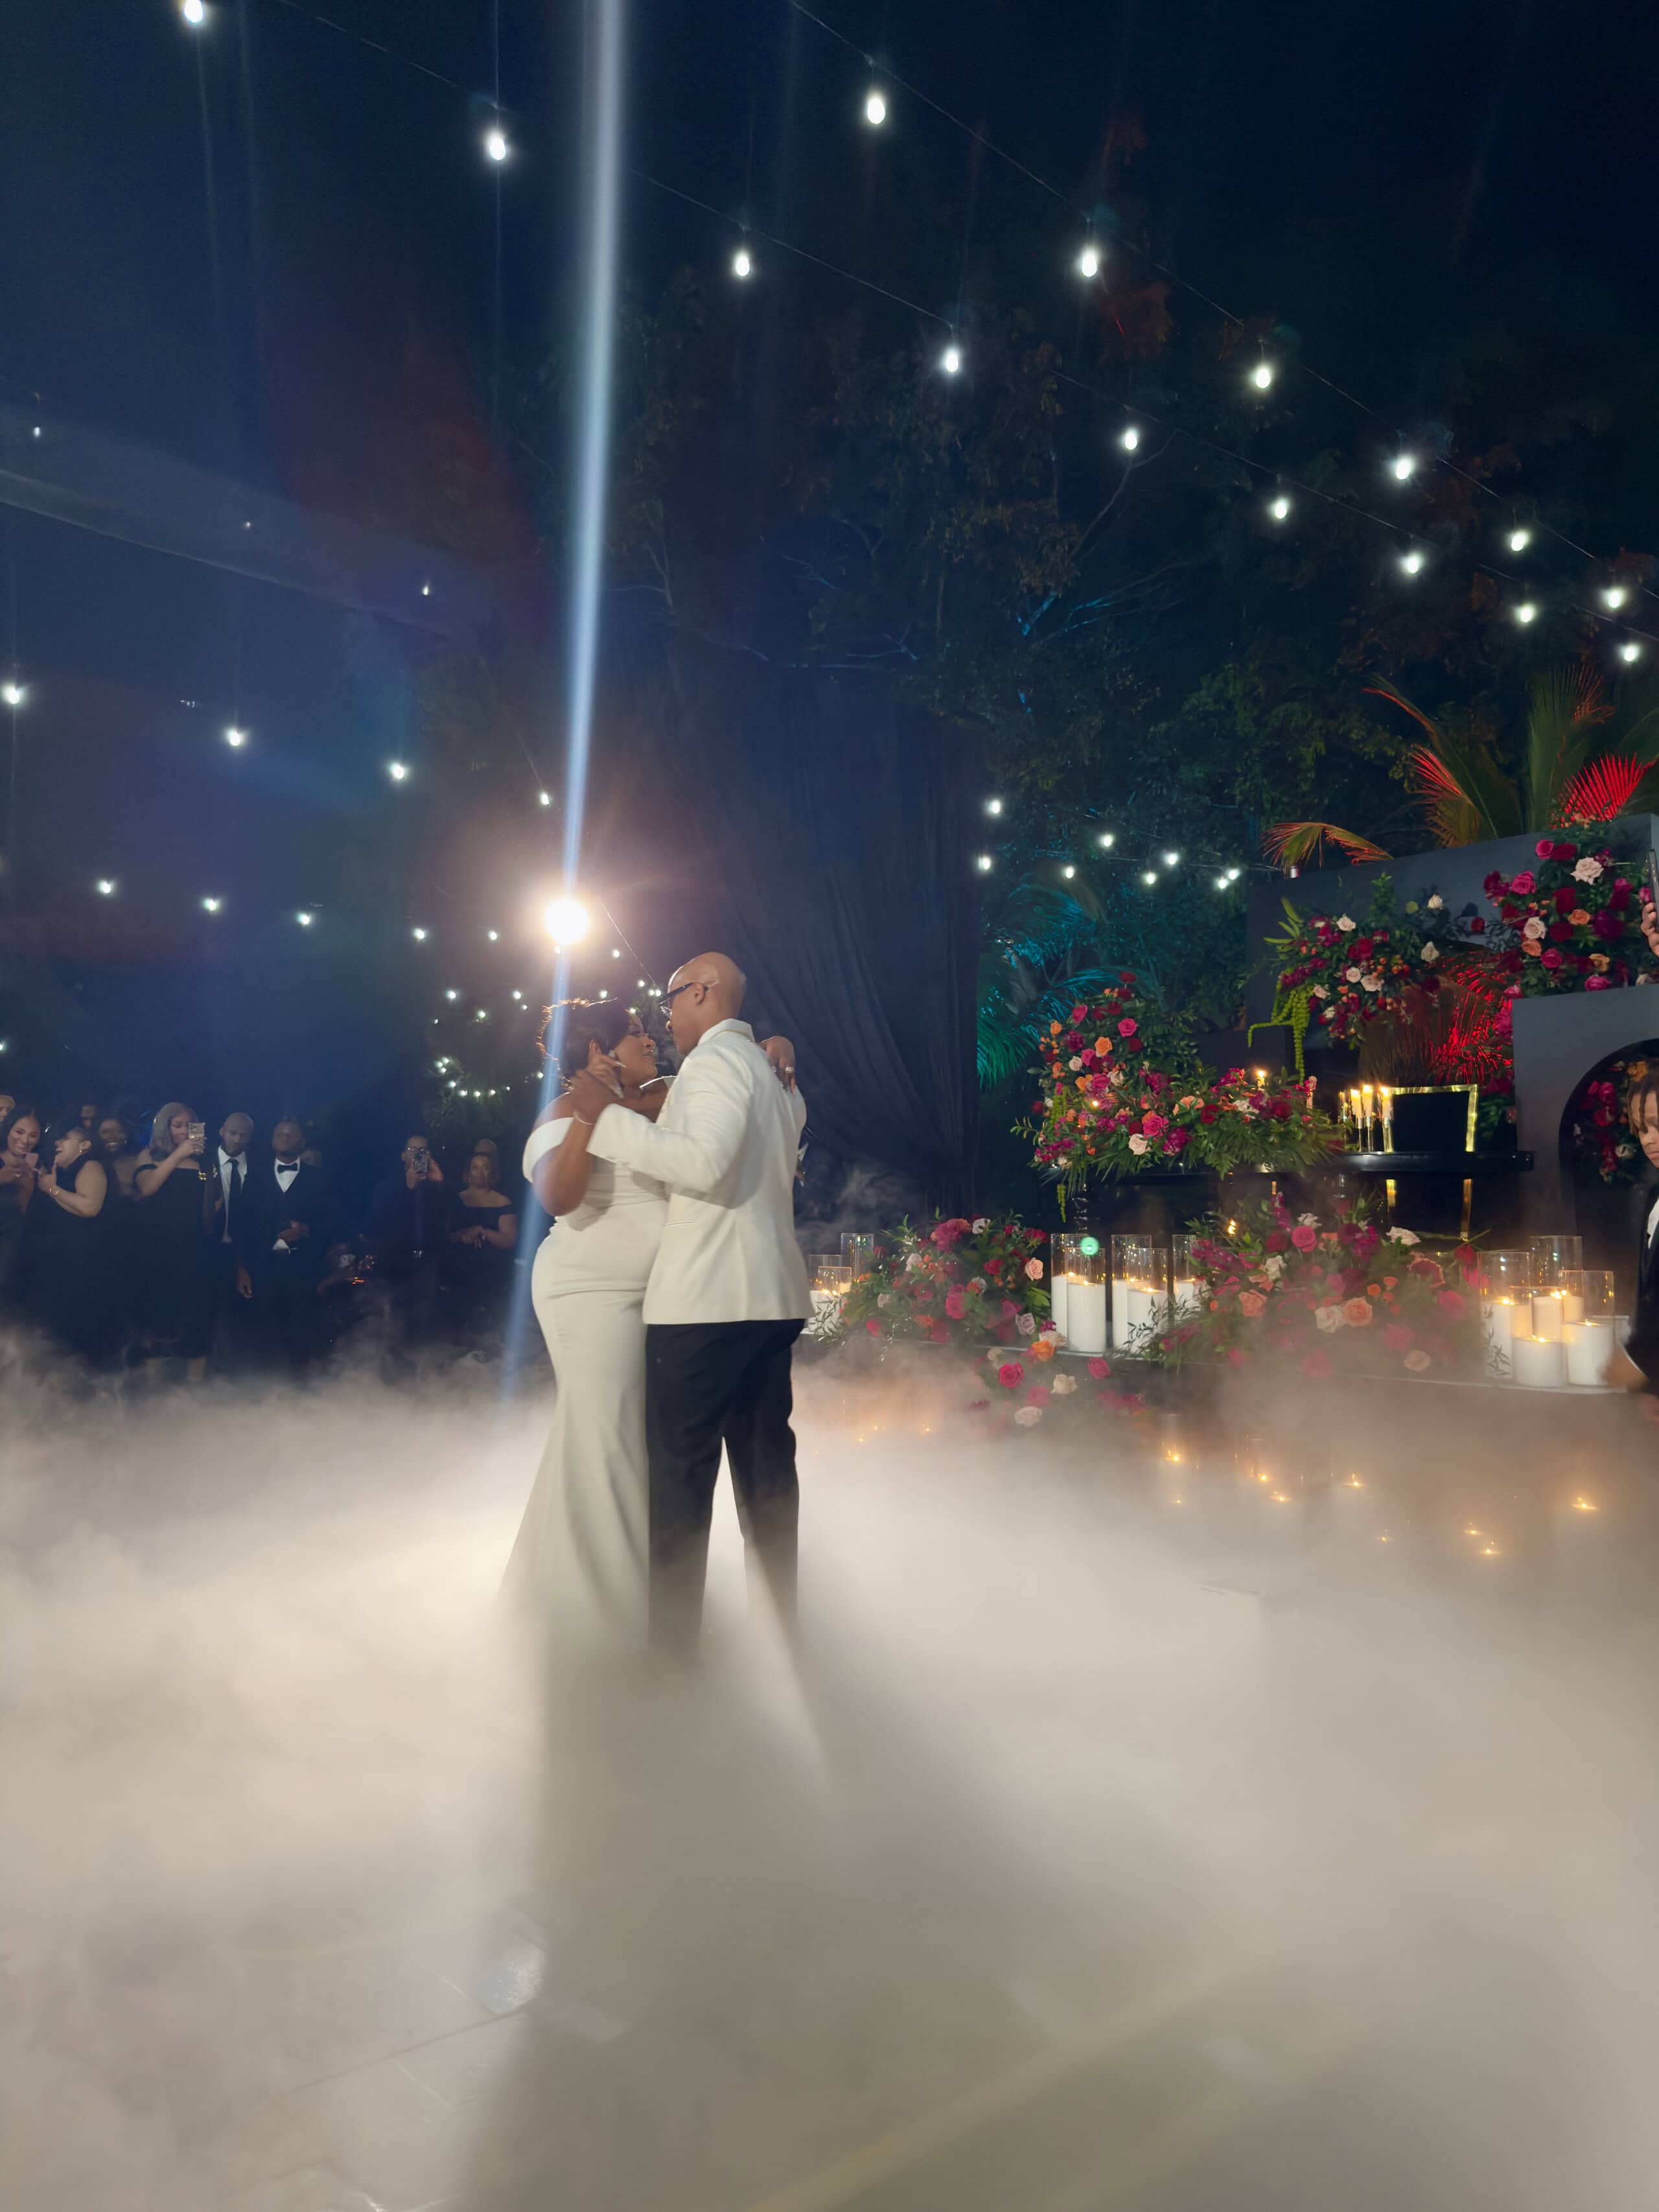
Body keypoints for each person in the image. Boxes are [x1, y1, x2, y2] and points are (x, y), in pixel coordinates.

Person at [562, 956, 809, 1654]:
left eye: (669, 1001)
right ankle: (781, 1632)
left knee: (679, 1481)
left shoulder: (714, 1062)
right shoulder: (770, 1070)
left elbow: (701, 1164)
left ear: (702, 991)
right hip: (768, 1294)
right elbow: (786, 1137)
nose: (665, 1017)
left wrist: (602, 1118)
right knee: (766, 1475)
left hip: (706, 1300)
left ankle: (671, 1659)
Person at [235, 1117, 345, 1371]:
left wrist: (307, 1230)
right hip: (264, 1267)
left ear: (302, 1142)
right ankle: (265, 1394)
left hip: (305, 1268)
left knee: (303, 1337)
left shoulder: (320, 1179)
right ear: (272, 1140)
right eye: (279, 1134)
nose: (284, 1138)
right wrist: (240, 1266)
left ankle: (301, 1396)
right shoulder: (255, 1177)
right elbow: (244, 1225)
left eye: (290, 1135)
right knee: (263, 1336)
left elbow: (335, 1223)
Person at [133, 1102, 222, 1378]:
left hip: (196, 1247)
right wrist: (179, 1155)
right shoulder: (150, 1155)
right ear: (165, 1127)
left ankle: (195, 1387)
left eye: (189, 1125)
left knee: (197, 1312)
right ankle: (153, 1383)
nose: (184, 1131)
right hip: (159, 1247)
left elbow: (217, 1201)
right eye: (178, 1125)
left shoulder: (206, 1160)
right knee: (159, 1311)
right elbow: (147, 1187)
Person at [25, 1121, 118, 1358]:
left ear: (84, 1145)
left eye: (66, 1139)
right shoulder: (66, 1171)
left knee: (77, 1325)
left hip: (83, 1262)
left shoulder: (91, 1165)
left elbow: (90, 1207)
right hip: (65, 1260)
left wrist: (52, 1189)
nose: (58, 1143)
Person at [365, 1135, 447, 1364]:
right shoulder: (387, 1186)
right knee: (394, 1325)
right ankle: (389, 1380)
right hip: (395, 1266)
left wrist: (440, 1185)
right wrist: (409, 1189)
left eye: (424, 1150)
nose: (419, 1155)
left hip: (427, 1264)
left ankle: (422, 1380)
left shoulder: (435, 1187)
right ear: (403, 1155)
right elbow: (383, 1223)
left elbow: (448, 1221)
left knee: (425, 1325)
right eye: (413, 1149)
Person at [445, 1152, 518, 1343]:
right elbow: (445, 1237)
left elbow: (509, 1240)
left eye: (485, 1167)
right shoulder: (455, 1201)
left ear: (492, 1173)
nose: (480, 1172)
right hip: (459, 1275)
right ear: (468, 1172)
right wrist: (465, 1233)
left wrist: (482, 1231)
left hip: (494, 1276)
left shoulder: (504, 1203)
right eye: (475, 1167)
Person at [0, 1103, 42, 1316]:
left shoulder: (41, 1167)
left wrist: (29, 1187)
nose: (25, 1141)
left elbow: (26, 1214)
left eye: (33, 1135)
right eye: (19, 1132)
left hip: (21, 1249)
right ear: (7, 1129)